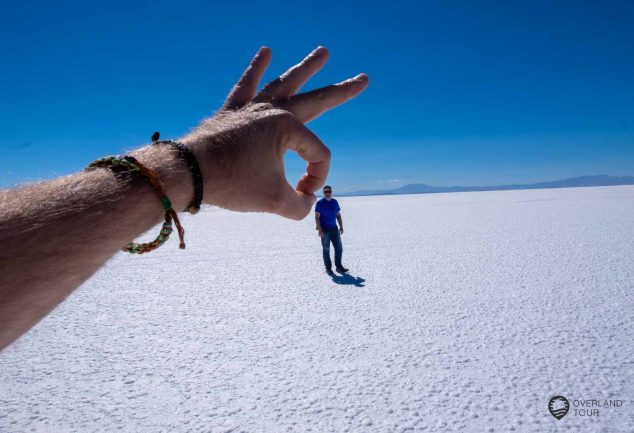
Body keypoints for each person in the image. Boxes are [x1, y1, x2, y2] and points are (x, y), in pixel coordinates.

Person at [0, 46, 369, 350]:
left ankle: (335, 264)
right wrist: (201, 160)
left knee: (334, 248)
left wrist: (200, 160)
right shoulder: (318, 201)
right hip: (314, 225)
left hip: (317, 222)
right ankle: (329, 265)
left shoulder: (330, 202)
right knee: (327, 250)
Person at [315, 185, 349, 275]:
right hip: (325, 230)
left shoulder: (334, 202)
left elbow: (338, 215)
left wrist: (341, 226)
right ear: (323, 193)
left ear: (331, 192)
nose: (327, 193)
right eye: (326, 192)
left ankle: (339, 267)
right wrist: (320, 229)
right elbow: (317, 217)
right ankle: (328, 268)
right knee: (326, 250)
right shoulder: (320, 203)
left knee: (339, 248)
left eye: (329, 191)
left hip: (334, 229)